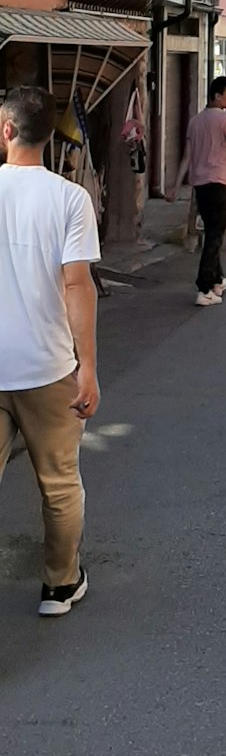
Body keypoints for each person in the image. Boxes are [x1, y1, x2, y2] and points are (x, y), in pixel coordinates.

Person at [0, 86, 100, 617]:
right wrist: (89, 370)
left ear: (6, 130)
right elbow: (78, 286)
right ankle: (60, 586)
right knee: (60, 484)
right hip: (48, 368)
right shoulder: (69, 198)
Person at [170, 77, 226, 306]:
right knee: (214, 235)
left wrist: (176, 185)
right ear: (216, 96)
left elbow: (187, 157)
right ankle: (204, 287)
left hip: (200, 184)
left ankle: (217, 279)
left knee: (212, 231)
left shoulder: (195, 121)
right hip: (220, 182)